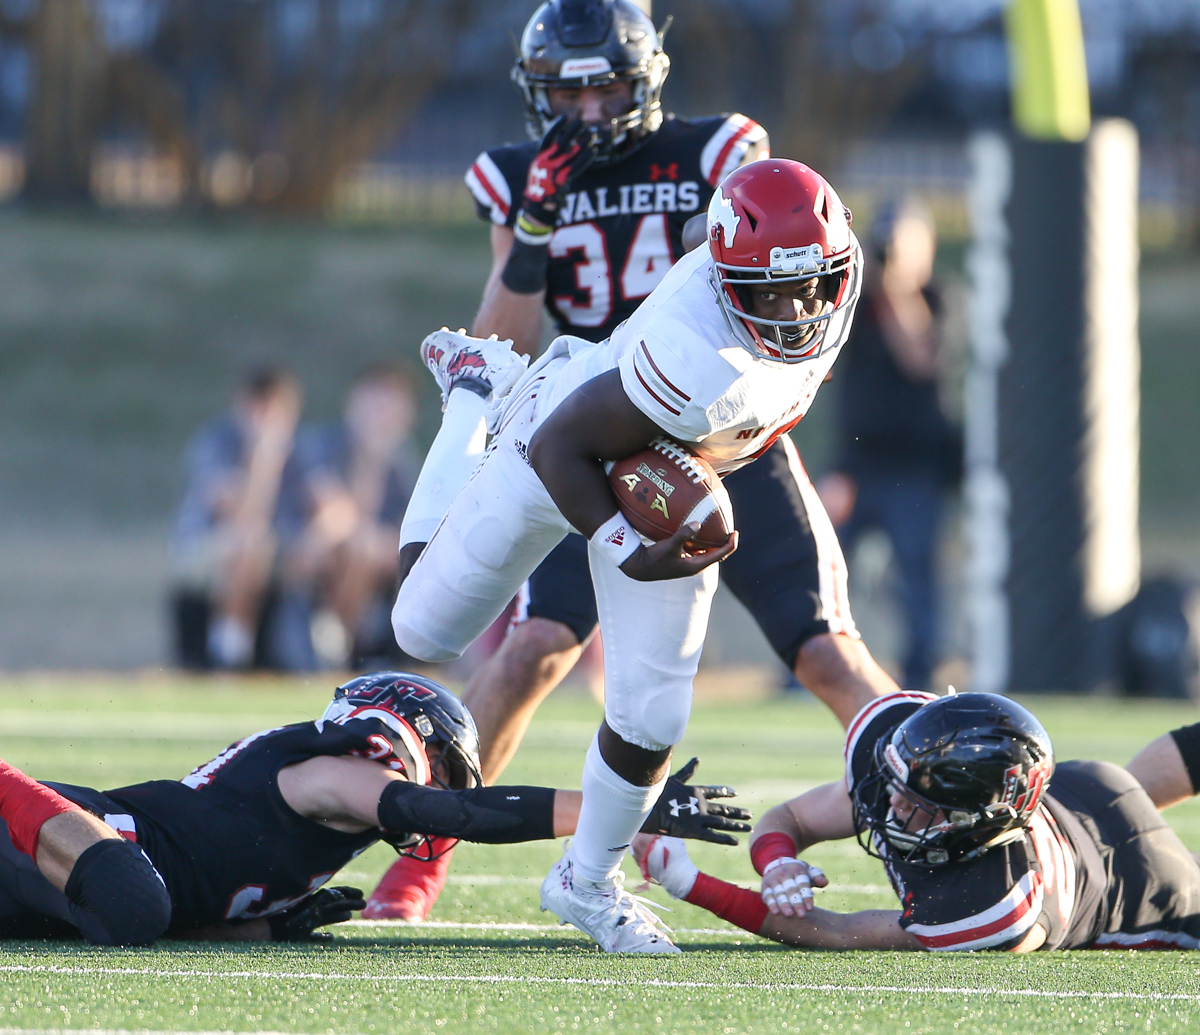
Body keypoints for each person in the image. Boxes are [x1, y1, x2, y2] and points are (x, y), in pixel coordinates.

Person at [366, 0, 901, 925]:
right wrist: (534, 229)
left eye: (605, 85)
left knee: (825, 648)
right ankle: (421, 866)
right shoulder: (516, 178)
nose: (585, 113)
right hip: (587, 426)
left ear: (646, 76)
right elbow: (506, 340)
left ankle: (933, 801)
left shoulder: (717, 154)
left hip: (722, 438)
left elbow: (777, 280)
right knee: (533, 647)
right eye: (565, 94)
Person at [0, 672, 747, 946]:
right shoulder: (339, 767)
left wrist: (262, 928)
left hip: (53, 886)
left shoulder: (341, 819)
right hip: (73, 837)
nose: (447, 794)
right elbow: (461, 815)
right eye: (449, 772)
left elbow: (178, 911)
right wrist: (625, 805)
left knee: (138, 913)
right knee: (134, 902)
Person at [634, 690, 1200, 952]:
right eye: (894, 785)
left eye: (919, 805)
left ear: (979, 819)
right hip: (1088, 789)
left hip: (1145, 885)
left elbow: (837, 932)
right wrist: (776, 860)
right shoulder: (901, 768)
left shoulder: (996, 905)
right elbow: (794, 816)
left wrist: (688, 882)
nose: (891, 808)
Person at [818, 199, 961, 689]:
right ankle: (809, 669)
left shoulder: (939, 300)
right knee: (823, 570)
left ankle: (921, 674)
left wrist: (898, 289)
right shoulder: (859, 304)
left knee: (916, 581)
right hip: (859, 466)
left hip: (916, 468)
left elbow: (921, 359)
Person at [170, 365, 309, 670]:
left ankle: (329, 651)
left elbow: (328, 502)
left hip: (279, 550)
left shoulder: (301, 450)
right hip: (210, 550)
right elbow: (241, 513)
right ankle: (230, 652)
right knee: (250, 543)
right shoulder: (218, 442)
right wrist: (262, 456)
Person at [290, 366, 422, 668]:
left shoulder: (403, 459)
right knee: (353, 542)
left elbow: (410, 527)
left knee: (365, 547)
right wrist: (370, 462)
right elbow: (329, 508)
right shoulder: (322, 444)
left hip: (365, 553)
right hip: (311, 544)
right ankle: (339, 643)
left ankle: (340, 640)